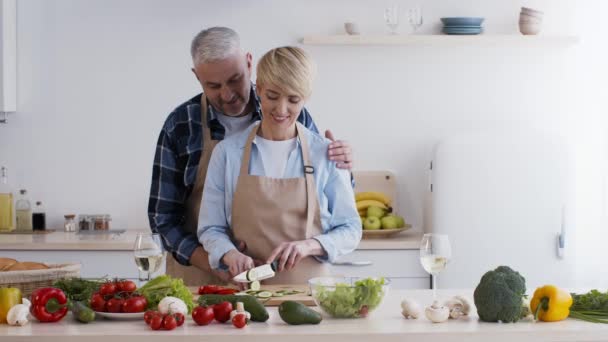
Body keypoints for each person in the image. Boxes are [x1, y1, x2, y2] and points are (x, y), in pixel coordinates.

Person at [148, 27, 354, 285]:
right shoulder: (184, 127)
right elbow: (163, 218)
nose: (227, 94)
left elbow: (333, 200)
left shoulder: (297, 118)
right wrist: (219, 258)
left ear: (249, 64)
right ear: (197, 77)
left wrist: (344, 166)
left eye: (234, 79)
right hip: (206, 276)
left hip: (302, 283)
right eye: (213, 85)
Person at [197, 46, 361, 284]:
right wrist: (229, 252)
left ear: (306, 98)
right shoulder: (228, 153)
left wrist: (310, 245)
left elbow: (351, 228)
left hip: (312, 294)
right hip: (246, 297)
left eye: (293, 99)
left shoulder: (325, 153)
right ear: (259, 89)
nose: (281, 110)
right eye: (272, 96)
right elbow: (210, 228)